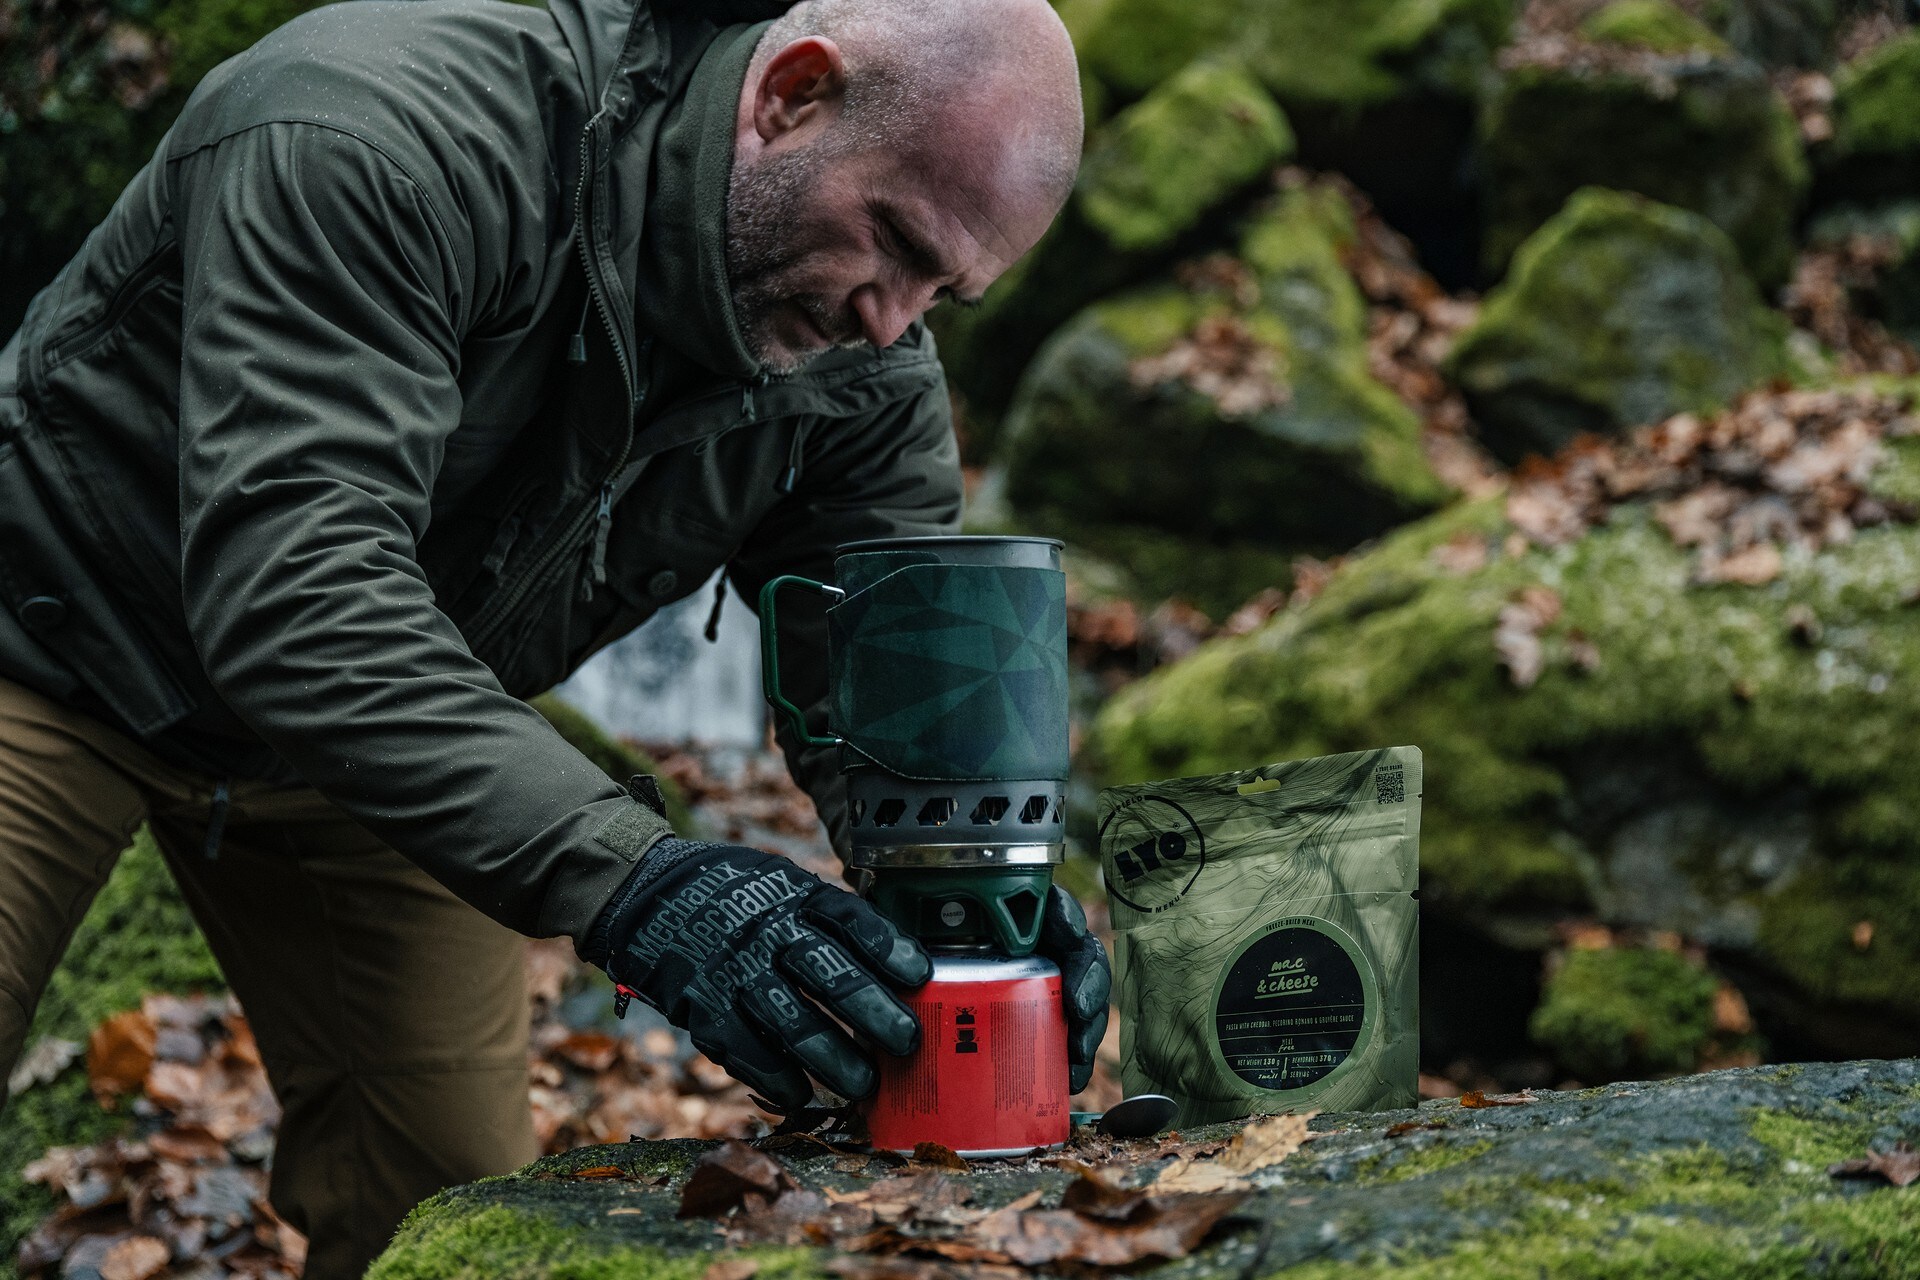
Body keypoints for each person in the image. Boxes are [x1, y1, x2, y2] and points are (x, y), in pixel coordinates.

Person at [0, 0, 1108, 1272]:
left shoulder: (860, 358)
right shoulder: (379, 134)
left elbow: (898, 685)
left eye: (946, 292)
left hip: (385, 738)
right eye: (895, 240)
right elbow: (298, 590)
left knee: (445, 1211)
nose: (893, 320)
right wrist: (645, 883)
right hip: (52, 634)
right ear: (791, 95)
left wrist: (982, 897)